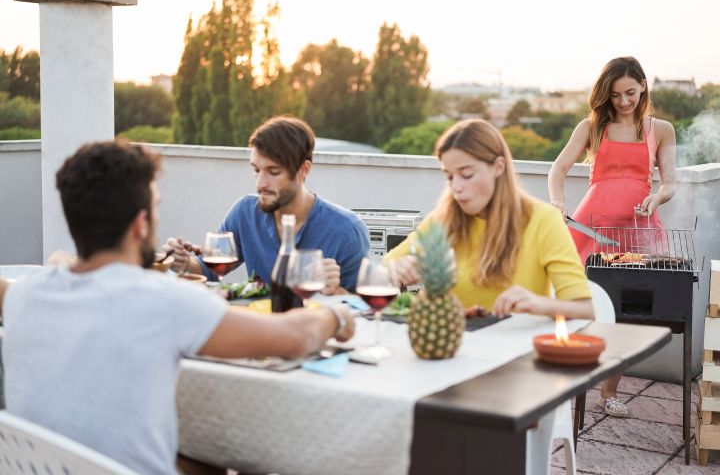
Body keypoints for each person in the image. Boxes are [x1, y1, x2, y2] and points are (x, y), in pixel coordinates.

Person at [2, 140, 354, 475]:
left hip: (47, 466)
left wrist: (64, 265)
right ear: (141, 225)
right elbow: (294, 338)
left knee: (200, 456)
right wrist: (335, 314)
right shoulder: (164, 301)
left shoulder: (22, 296)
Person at [548, 56, 677, 417]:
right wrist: (558, 202)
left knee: (631, 313)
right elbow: (558, 169)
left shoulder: (660, 130)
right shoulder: (591, 127)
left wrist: (657, 197)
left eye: (631, 93)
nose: (623, 101)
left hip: (638, 229)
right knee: (581, 305)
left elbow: (670, 182)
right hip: (592, 225)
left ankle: (608, 393)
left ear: (643, 88)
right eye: (616, 95)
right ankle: (563, 383)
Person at [386, 118, 594, 321]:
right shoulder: (443, 219)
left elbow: (586, 309)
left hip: (515, 350)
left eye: (466, 175)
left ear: (498, 166)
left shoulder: (543, 220)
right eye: (449, 176)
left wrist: (539, 303)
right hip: (454, 347)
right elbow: (382, 269)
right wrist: (396, 269)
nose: (456, 187)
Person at [165, 116, 370, 294]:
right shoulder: (245, 212)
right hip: (258, 331)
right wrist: (184, 263)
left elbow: (365, 308)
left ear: (303, 170)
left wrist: (336, 291)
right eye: (256, 170)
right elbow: (208, 270)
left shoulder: (346, 230)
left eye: (273, 172)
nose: (260, 184)